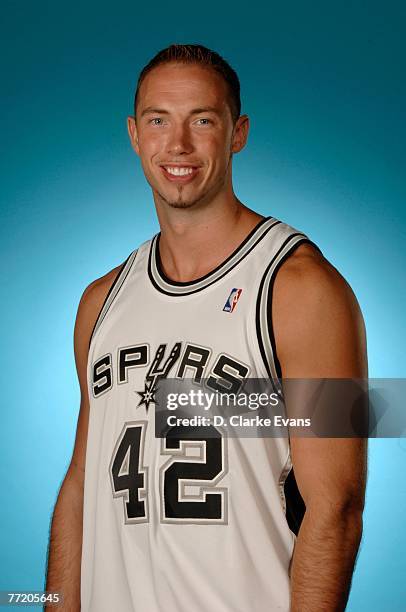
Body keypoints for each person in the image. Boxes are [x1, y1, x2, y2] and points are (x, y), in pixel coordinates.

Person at [45, 44, 367, 611]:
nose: (178, 146)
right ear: (133, 134)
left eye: (202, 120)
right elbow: (81, 485)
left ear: (237, 132)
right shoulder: (101, 301)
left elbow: (336, 508)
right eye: (158, 121)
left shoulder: (303, 289)